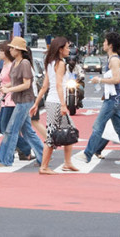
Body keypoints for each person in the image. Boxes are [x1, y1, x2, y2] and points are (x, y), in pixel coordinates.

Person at [82, 32, 120, 165]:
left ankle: (87, 154)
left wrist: (99, 79)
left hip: (113, 99)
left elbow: (116, 79)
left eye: (105, 41)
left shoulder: (113, 60)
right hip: (114, 98)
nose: (103, 44)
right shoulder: (113, 59)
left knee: (98, 125)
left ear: (110, 44)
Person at [0, 36, 44, 167]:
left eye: (12, 48)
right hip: (19, 100)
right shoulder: (15, 63)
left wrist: (9, 90)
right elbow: (15, 82)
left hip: (25, 101)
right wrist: (3, 87)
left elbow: (26, 84)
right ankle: (43, 156)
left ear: (19, 50)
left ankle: (5, 160)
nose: (10, 50)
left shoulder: (25, 63)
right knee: (27, 131)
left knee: (11, 130)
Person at [35, 37, 78, 174]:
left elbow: (44, 86)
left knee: (70, 131)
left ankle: (67, 162)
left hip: (52, 101)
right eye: (67, 47)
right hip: (56, 102)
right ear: (60, 49)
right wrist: (64, 105)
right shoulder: (60, 64)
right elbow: (59, 85)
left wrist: (36, 103)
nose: (69, 50)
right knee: (52, 135)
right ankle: (44, 167)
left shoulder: (50, 62)